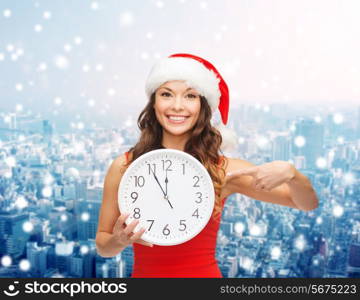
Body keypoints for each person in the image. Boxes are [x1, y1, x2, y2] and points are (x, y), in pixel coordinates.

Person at [95, 53, 319, 278]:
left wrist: (292, 174)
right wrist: (118, 240)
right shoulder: (125, 166)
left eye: (190, 96)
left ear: (203, 106)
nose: (177, 106)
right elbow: (103, 247)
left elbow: (306, 203)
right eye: (166, 94)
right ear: (154, 103)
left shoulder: (223, 170)